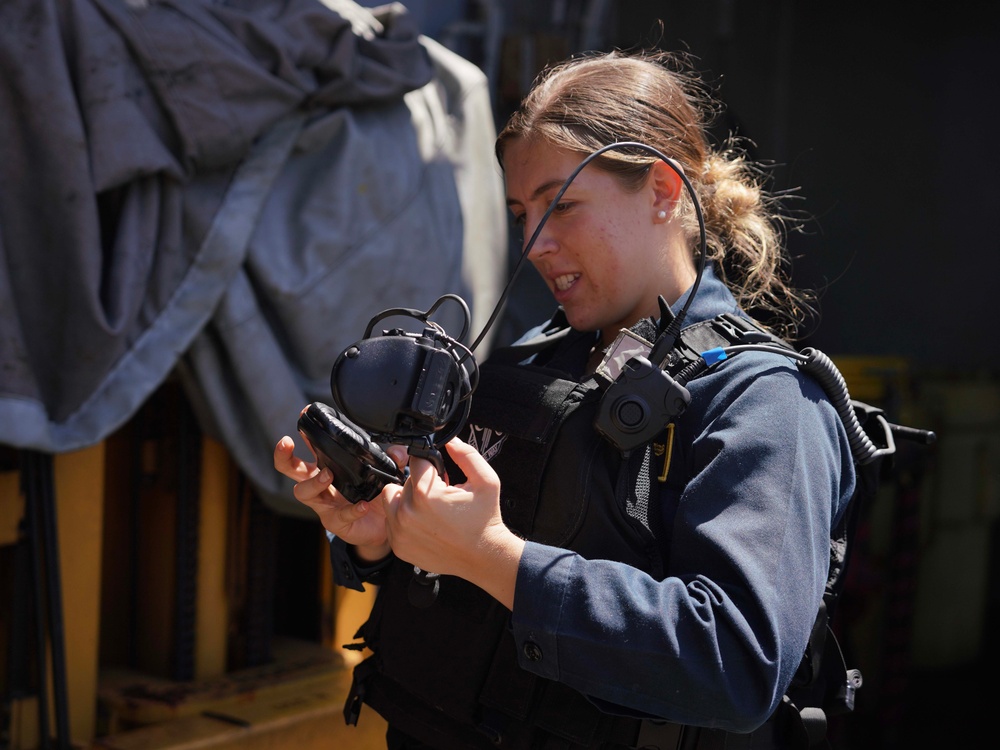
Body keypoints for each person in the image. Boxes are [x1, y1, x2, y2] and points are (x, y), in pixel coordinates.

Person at [273, 49, 856, 750]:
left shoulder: (764, 400)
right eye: (521, 211)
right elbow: (475, 576)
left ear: (664, 192)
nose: (533, 243)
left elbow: (735, 661)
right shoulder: (528, 361)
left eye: (563, 204)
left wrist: (496, 558)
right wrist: (387, 537)